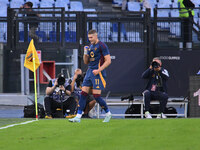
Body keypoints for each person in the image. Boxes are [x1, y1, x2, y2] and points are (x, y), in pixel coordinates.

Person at [69, 29, 112, 123]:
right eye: (89, 38)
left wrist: (99, 70)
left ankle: (108, 113)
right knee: (83, 94)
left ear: (96, 36)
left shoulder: (102, 46)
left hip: (98, 73)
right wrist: (85, 52)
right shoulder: (91, 47)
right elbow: (86, 61)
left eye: (91, 37)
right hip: (89, 72)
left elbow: (108, 61)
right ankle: (78, 117)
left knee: (96, 96)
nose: (90, 39)